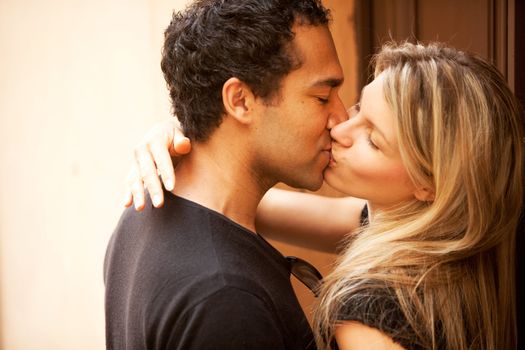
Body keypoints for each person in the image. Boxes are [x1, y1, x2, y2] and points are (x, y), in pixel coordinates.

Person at [125, 42, 524, 349]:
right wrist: (192, 139)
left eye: (373, 139)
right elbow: (238, 199)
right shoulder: (431, 239)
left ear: (430, 184)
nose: (340, 129)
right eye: (358, 109)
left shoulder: (372, 315)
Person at [105, 0, 349, 349]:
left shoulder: (142, 215)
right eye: (323, 97)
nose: (340, 118)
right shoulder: (227, 298)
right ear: (240, 101)